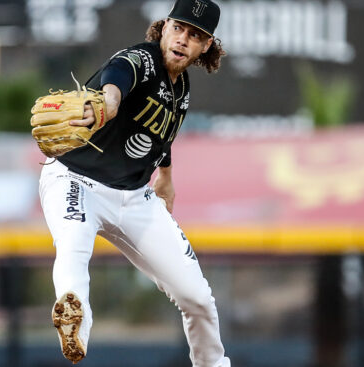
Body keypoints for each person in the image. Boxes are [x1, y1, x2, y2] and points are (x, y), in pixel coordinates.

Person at [38, 0, 230, 366]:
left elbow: (162, 136)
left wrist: (167, 176)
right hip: (74, 179)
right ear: (164, 26)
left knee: (199, 299)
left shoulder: (181, 88)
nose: (182, 39)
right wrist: (107, 102)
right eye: (178, 28)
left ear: (206, 45)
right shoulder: (140, 59)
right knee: (73, 247)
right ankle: (74, 323)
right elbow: (117, 79)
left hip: (134, 197)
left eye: (195, 35)